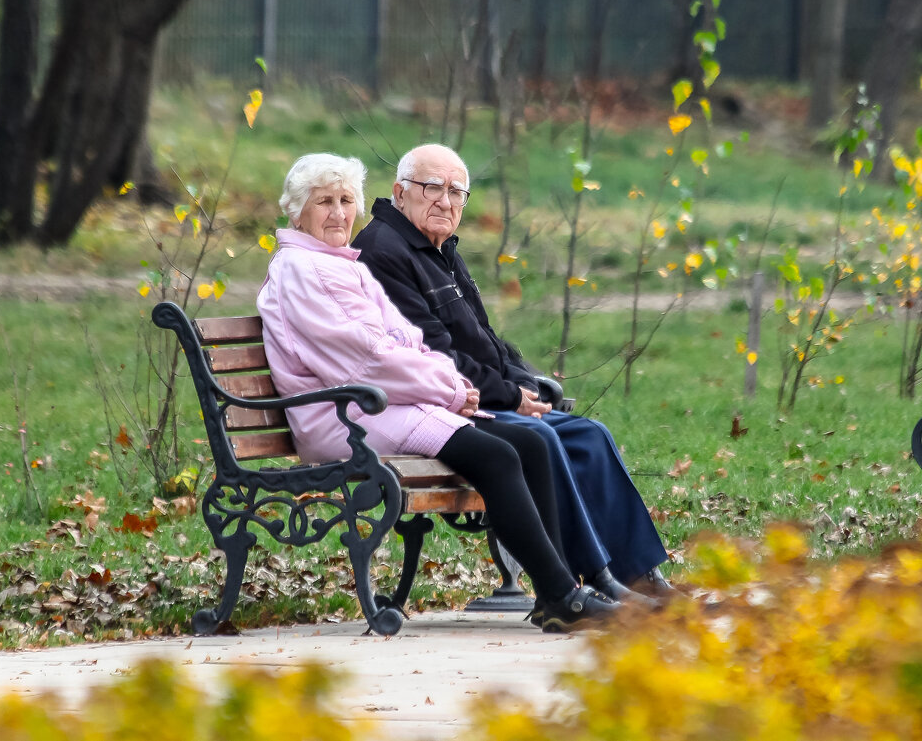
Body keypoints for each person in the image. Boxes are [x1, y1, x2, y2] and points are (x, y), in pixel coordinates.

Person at [256, 152, 621, 632]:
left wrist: (450, 383)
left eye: (347, 200)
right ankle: (561, 595)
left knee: (529, 443)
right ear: (297, 211)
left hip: (378, 406)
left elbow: (405, 339)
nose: (339, 213)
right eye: (324, 202)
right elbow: (367, 359)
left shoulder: (343, 266)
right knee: (496, 457)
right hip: (342, 419)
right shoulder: (301, 270)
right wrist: (450, 390)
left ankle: (558, 593)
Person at [352, 143, 673, 597]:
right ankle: (586, 580)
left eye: (456, 191)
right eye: (432, 188)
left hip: (486, 394)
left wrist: (523, 381)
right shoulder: (384, 252)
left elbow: (484, 338)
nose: (445, 200)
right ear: (400, 192)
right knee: (541, 438)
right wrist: (508, 396)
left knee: (590, 434)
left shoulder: (438, 248)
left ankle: (640, 575)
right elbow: (432, 355)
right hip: (438, 405)